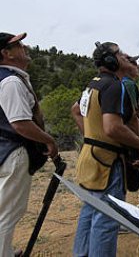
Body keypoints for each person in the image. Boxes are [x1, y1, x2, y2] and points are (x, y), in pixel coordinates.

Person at [71, 41, 139, 256]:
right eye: (120, 54)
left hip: (89, 158)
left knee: (90, 210)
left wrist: (91, 136)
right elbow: (113, 128)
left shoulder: (94, 84)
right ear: (110, 60)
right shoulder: (114, 86)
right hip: (107, 163)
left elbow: (76, 111)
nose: (125, 56)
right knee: (107, 219)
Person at [0, 32, 58, 257]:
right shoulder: (11, 81)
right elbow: (21, 124)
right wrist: (49, 140)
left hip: (4, 151)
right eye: (17, 45)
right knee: (8, 214)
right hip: (13, 153)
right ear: (6, 54)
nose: (24, 47)